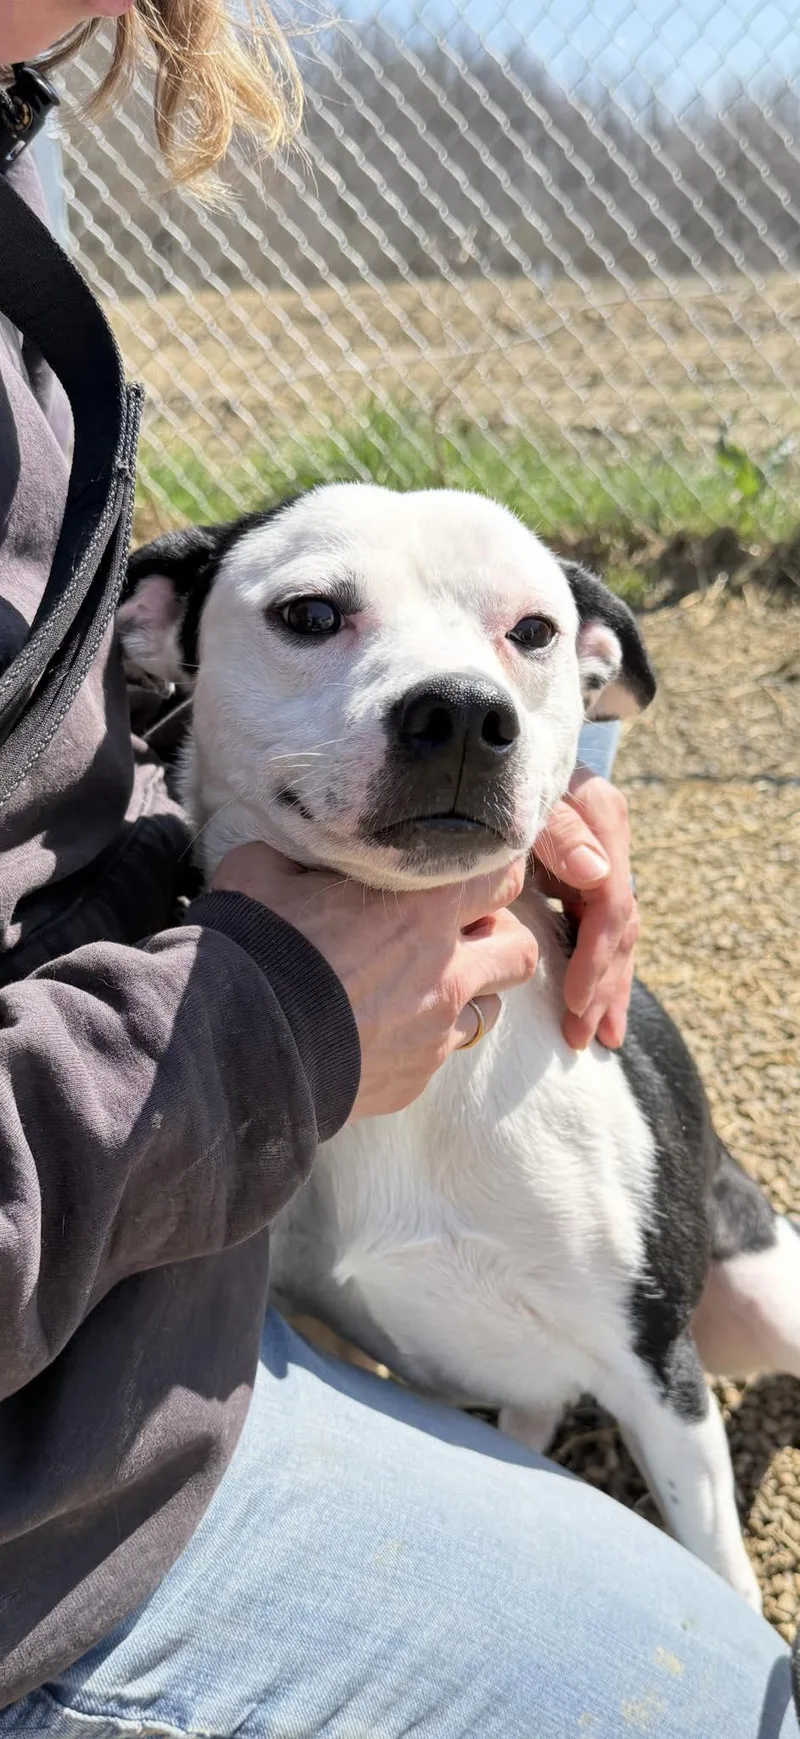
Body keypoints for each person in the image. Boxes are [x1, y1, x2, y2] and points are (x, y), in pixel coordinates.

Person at [0, 5, 796, 1734]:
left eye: (516, 649)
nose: (448, 705)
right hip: (54, 1493)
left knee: (741, 1322)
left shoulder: (24, 151)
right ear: (172, 641)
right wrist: (254, 1022)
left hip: (142, 1310)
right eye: (310, 619)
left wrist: (561, 760)